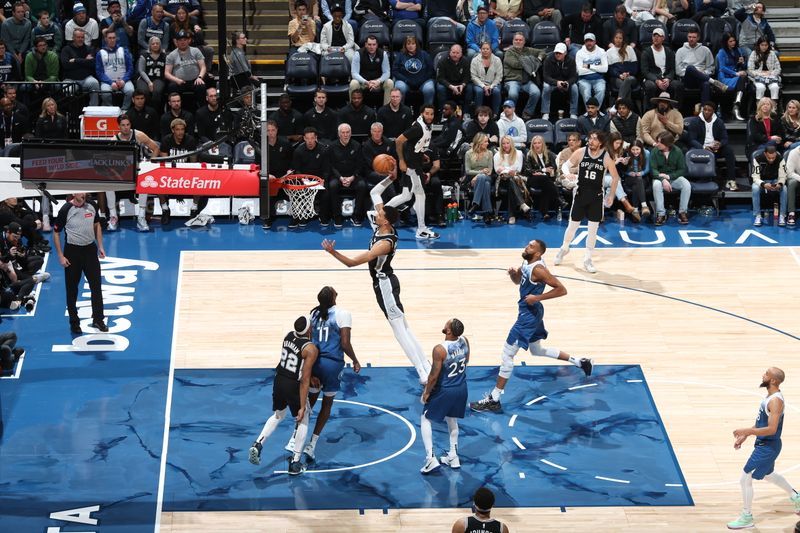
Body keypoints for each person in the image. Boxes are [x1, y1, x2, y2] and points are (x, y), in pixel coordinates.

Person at [470, 239, 593, 413]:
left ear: (538, 253)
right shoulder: (527, 262)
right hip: (532, 312)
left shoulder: (539, 269)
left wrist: (537, 298)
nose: (526, 247)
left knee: (507, 355)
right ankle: (580, 362)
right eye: (528, 245)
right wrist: (514, 274)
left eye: (531, 246)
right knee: (537, 351)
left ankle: (494, 399)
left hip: (528, 316)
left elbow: (561, 289)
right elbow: (517, 281)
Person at [321, 205, 431, 384]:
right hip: (385, 283)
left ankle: (422, 372)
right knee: (405, 327)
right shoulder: (383, 227)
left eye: (379, 214)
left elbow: (352, 263)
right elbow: (376, 199)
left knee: (400, 331)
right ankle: (426, 365)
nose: (375, 214)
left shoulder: (384, 244)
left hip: (385, 285)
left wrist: (333, 252)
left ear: (386, 221)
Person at [727, 367, 800, 530]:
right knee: (768, 474)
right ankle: (796, 497)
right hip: (766, 444)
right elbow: (763, 423)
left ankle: (747, 517)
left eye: (766, 373)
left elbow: (772, 429)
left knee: (745, 477)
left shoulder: (775, 401)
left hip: (768, 446)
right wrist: (747, 434)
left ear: (773, 380)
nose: (763, 375)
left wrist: (746, 430)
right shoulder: (770, 397)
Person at [248, 315, 319, 476]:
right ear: (308, 329)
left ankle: (258, 443)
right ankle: (295, 463)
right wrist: (301, 406)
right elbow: (305, 379)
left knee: (279, 414)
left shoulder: (288, 336)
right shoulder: (310, 349)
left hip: (279, 379)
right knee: (303, 419)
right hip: (293, 384)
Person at [297, 286, 360, 462]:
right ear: (334, 296)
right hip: (333, 365)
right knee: (326, 404)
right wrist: (355, 360)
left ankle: (295, 439)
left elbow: (308, 341)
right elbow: (345, 343)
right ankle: (312, 445)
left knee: (308, 404)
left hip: (315, 363)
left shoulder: (314, 315)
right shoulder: (343, 314)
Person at [554, 130, 621, 273]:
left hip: (596, 197)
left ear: (601, 142)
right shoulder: (580, 152)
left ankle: (587, 259)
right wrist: (568, 174)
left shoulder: (606, 157)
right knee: (572, 226)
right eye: (590, 138)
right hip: (580, 194)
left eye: (595, 139)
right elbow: (565, 166)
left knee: (592, 230)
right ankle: (564, 248)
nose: (591, 141)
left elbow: (615, 177)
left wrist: (611, 194)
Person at [370, 105, 439, 240]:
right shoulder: (417, 128)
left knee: (406, 196)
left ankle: (378, 214)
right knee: (420, 195)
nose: (429, 116)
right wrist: (401, 160)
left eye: (432, 114)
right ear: (421, 114)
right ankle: (421, 229)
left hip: (415, 162)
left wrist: (421, 153)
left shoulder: (425, 126)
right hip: (412, 166)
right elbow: (399, 141)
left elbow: (414, 144)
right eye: (427, 113)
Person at [52, 193, 107, 335]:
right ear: (73, 193)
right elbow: (56, 233)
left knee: (96, 287)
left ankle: (98, 319)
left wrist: (100, 246)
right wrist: (60, 256)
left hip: (90, 250)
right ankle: (74, 322)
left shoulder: (92, 205)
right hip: (72, 253)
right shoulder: (65, 210)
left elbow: (97, 225)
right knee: (72, 289)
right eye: (79, 191)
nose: (82, 194)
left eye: (84, 191)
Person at [419, 318, 469, 475]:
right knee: (451, 418)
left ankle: (430, 459)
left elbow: (433, 376)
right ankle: (453, 456)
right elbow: (466, 361)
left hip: (446, 389)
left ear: (448, 331)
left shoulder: (440, 349)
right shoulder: (465, 341)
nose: (446, 322)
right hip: (461, 387)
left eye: (448, 323)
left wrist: (426, 393)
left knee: (426, 418)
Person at [113, 113, 159, 232]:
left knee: (145, 180)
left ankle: (141, 217)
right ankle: (113, 217)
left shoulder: (138, 135)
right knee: (108, 183)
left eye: (128, 124)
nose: (126, 127)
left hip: (138, 169)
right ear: (119, 126)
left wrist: (150, 164)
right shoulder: (114, 140)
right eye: (123, 125)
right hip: (122, 172)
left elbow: (156, 148)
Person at [687, 101, 738, 191]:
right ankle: (705, 179)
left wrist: (720, 144)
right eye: (705, 109)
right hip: (700, 148)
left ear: (713, 111)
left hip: (715, 148)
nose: (706, 112)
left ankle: (731, 180)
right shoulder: (695, 121)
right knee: (698, 152)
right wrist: (703, 147)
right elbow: (691, 140)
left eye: (709, 110)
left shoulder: (719, 122)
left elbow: (725, 138)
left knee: (729, 151)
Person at [676, 28, 725, 106]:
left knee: (706, 84)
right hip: (688, 79)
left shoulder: (706, 50)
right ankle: (714, 82)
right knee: (690, 68)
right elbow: (678, 71)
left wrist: (703, 73)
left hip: (702, 79)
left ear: (698, 38)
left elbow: (711, 68)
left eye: (694, 37)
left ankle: (704, 110)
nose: (691, 39)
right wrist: (694, 72)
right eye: (689, 37)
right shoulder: (680, 51)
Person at [650, 130, 690, 225]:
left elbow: (682, 169)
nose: (657, 144)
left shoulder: (677, 151)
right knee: (656, 185)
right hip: (659, 178)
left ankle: (682, 212)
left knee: (686, 185)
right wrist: (663, 179)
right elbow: (653, 170)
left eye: (660, 142)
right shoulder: (655, 151)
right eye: (658, 141)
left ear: (667, 143)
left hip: (673, 177)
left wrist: (669, 176)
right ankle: (661, 214)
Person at [502, 32, 545, 120]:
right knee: (513, 93)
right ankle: (511, 114)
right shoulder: (509, 52)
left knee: (536, 92)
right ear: (513, 41)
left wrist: (539, 58)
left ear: (524, 42)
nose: (518, 41)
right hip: (512, 80)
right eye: (516, 40)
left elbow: (542, 52)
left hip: (525, 81)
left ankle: (527, 112)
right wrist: (530, 62)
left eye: (520, 40)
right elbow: (515, 64)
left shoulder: (528, 50)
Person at [640, 27, 682, 104]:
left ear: (663, 38)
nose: (656, 38)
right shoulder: (646, 52)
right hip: (652, 79)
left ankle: (675, 110)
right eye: (654, 36)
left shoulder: (669, 52)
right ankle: (650, 110)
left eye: (658, 36)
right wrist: (656, 80)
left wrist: (668, 79)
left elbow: (672, 69)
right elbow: (645, 71)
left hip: (665, 78)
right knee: (650, 86)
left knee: (677, 85)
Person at [750, 141, 787, 227]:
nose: (771, 160)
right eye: (769, 158)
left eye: (773, 158)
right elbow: (755, 177)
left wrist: (780, 184)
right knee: (755, 188)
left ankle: (782, 215)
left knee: (784, 188)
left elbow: (783, 175)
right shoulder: (757, 159)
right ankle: (758, 215)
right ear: (765, 154)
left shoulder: (780, 159)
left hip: (775, 180)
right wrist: (763, 184)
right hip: (762, 181)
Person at [392, 35, 435, 107]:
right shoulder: (400, 55)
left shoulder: (424, 54)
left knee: (429, 89)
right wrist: (406, 80)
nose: (410, 46)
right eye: (408, 44)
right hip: (405, 82)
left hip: (423, 82)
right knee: (400, 87)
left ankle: (427, 112)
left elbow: (431, 70)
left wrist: (422, 80)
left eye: (413, 43)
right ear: (405, 45)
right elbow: (395, 71)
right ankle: (400, 110)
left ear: (416, 45)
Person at [60, 28, 100, 106]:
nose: (81, 39)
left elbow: (92, 63)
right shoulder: (66, 49)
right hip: (70, 79)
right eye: (78, 37)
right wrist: (84, 61)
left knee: (95, 83)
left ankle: (93, 110)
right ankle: (71, 113)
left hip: (86, 79)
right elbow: (66, 65)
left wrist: (75, 60)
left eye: (82, 37)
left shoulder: (89, 49)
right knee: (68, 89)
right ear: (73, 38)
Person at [522, 135, 558, 220]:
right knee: (544, 179)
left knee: (545, 185)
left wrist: (543, 172)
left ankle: (545, 213)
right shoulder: (529, 155)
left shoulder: (549, 154)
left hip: (546, 180)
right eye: (535, 143)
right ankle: (559, 200)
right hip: (533, 180)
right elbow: (527, 171)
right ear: (532, 145)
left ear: (543, 144)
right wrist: (544, 170)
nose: (537, 145)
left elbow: (553, 167)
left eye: (539, 143)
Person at [349, 34, 393, 105]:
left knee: (389, 82)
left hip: (378, 82)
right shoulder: (358, 54)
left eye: (373, 44)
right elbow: (354, 73)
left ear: (377, 45)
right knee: (353, 83)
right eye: (369, 44)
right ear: (365, 44)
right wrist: (366, 82)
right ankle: (353, 109)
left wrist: (378, 81)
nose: (371, 47)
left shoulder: (383, 54)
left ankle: (386, 109)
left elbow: (387, 72)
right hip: (363, 82)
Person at [96, 31, 134, 110]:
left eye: (114, 38)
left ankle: (124, 110)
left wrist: (124, 80)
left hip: (124, 80)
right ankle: (111, 110)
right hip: (107, 81)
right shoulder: (100, 53)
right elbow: (99, 72)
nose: (112, 40)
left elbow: (130, 68)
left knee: (130, 90)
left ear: (116, 39)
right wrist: (111, 82)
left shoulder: (124, 51)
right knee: (105, 93)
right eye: (110, 38)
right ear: (106, 39)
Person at [494, 134, 527, 224]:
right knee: (509, 179)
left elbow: (518, 169)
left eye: (507, 143)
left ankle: (512, 216)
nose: (505, 145)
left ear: (511, 143)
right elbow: (497, 170)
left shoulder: (519, 153)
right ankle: (522, 204)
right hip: (502, 180)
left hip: (516, 179)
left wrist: (505, 169)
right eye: (503, 143)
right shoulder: (497, 155)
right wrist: (509, 171)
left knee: (511, 182)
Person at [541, 42, 578, 121]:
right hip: (553, 83)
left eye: (560, 53)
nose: (558, 55)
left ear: (565, 53)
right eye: (556, 53)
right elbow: (546, 77)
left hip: (565, 83)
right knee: (546, 87)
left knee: (574, 87)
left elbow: (574, 77)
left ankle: (573, 113)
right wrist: (556, 82)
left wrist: (567, 83)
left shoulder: (571, 60)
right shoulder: (548, 60)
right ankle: (545, 113)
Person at [716, 32, 748, 122]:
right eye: (730, 41)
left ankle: (737, 104)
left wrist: (742, 63)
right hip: (725, 77)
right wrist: (736, 74)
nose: (733, 43)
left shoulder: (738, 50)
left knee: (744, 77)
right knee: (741, 79)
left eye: (734, 40)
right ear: (726, 42)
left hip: (735, 76)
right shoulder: (721, 52)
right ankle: (736, 106)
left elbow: (743, 66)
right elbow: (722, 67)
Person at [465, 132, 496, 224]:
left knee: (483, 178)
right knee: (485, 185)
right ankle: (487, 213)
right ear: (479, 142)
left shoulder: (489, 153)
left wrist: (478, 175)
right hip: (473, 180)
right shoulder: (468, 153)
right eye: (486, 142)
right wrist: (480, 173)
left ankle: (475, 204)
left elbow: (490, 171)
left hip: (487, 177)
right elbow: (467, 171)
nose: (488, 143)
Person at [470, 41, 503, 116]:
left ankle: (495, 114)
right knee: (479, 92)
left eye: (487, 49)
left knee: (496, 91)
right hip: (479, 84)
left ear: (491, 50)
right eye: (483, 49)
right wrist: (483, 86)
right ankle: (477, 114)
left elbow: (499, 76)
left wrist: (491, 86)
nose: (485, 50)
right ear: (480, 50)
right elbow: (474, 77)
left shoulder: (497, 60)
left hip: (493, 83)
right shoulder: (475, 60)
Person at [575, 32, 607, 108]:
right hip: (584, 79)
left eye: (591, 41)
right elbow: (580, 71)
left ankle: (596, 111)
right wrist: (598, 68)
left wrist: (588, 66)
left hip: (599, 79)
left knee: (601, 90)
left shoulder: (601, 51)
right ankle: (590, 113)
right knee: (586, 93)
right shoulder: (580, 53)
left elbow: (605, 69)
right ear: (584, 42)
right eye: (587, 41)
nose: (589, 43)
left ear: (595, 41)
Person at [436, 44, 471, 112]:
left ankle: (466, 113)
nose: (455, 55)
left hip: (460, 85)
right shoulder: (442, 61)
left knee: (470, 88)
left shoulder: (465, 61)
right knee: (440, 88)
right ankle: (442, 112)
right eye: (453, 52)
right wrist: (451, 86)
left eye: (457, 53)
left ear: (461, 54)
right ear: (450, 52)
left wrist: (462, 85)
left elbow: (467, 77)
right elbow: (440, 78)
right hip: (447, 84)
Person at [606, 29, 639, 102]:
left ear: (623, 39)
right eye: (616, 38)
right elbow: (610, 70)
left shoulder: (629, 49)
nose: (618, 40)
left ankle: (618, 103)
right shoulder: (609, 52)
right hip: (616, 78)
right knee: (625, 86)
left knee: (628, 80)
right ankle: (627, 108)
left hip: (630, 76)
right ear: (613, 39)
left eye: (620, 38)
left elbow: (635, 67)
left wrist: (628, 73)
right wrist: (619, 75)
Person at [747, 37, 781, 107]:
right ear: (759, 45)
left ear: (768, 45)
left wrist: (771, 73)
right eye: (762, 45)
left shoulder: (772, 53)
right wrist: (760, 73)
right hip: (758, 77)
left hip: (771, 77)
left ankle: (773, 108)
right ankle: (759, 109)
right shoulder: (754, 53)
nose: (764, 47)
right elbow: (750, 70)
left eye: (766, 45)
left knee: (775, 87)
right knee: (760, 88)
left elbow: (778, 68)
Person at [623, 139, 651, 219]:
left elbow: (648, 169)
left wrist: (641, 173)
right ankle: (644, 206)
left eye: (637, 149)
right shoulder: (626, 154)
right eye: (633, 149)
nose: (635, 152)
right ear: (630, 149)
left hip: (642, 178)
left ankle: (635, 210)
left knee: (637, 185)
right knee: (637, 181)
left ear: (641, 149)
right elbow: (621, 170)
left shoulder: (647, 153)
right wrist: (629, 173)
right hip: (630, 178)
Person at [136, 35, 167, 107]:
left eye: (157, 43)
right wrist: (149, 82)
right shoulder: (144, 55)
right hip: (144, 79)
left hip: (158, 78)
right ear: (150, 45)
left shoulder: (165, 56)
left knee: (157, 91)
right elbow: (141, 71)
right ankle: (144, 110)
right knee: (143, 92)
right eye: (153, 44)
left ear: (160, 45)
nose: (155, 45)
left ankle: (154, 111)